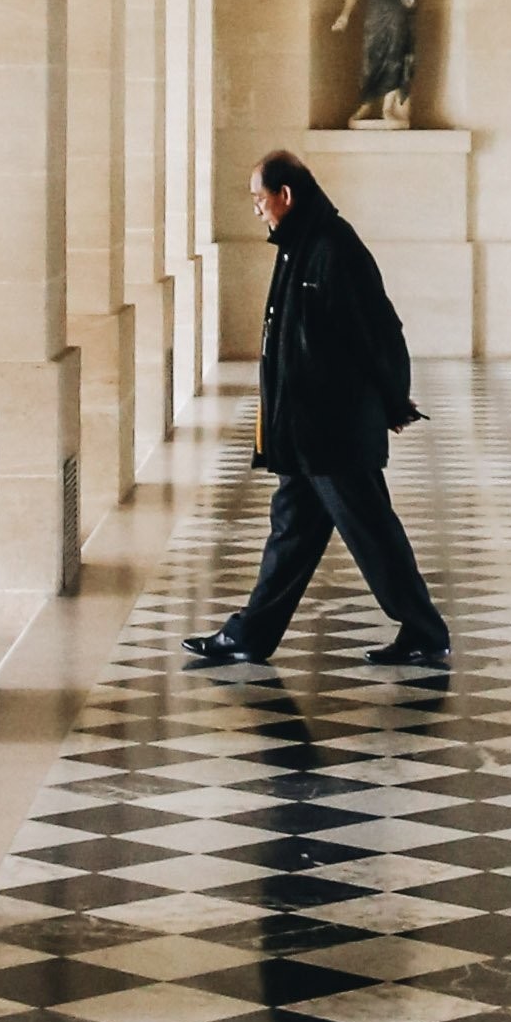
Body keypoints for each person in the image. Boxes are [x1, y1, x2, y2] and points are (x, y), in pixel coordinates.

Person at [187, 150, 450, 669]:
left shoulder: (333, 248)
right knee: (291, 536)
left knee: (373, 534)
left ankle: (425, 629)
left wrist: (395, 400)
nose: (257, 211)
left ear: (285, 196)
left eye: (260, 200)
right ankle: (251, 635)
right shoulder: (300, 246)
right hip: (308, 435)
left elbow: (378, 333)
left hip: (334, 434)